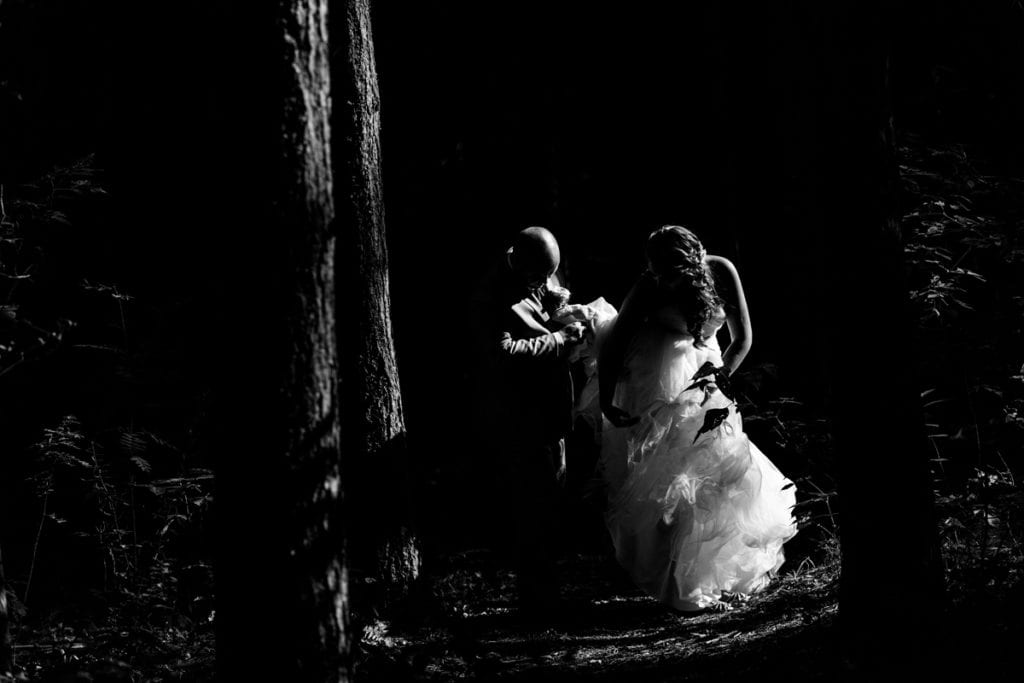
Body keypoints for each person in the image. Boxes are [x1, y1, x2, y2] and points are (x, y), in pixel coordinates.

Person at [592, 225, 798, 612]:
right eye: (654, 270)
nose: (659, 277)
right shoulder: (649, 286)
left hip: (710, 380)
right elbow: (615, 345)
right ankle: (679, 583)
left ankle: (720, 576)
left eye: (666, 270)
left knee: (720, 476)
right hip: (660, 385)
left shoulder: (721, 271)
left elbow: (743, 338)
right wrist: (606, 398)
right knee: (673, 484)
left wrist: (717, 378)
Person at [468, 226, 587, 610]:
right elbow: (502, 352)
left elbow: (540, 315)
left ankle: (547, 591)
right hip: (523, 417)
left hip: (551, 412)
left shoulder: (537, 274)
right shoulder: (492, 293)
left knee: (553, 498)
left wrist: (562, 313)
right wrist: (560, 340)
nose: (545, 281)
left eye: (548, 274)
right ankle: (537, 600)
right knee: (533, 506)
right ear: (519, 261)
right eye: (539, 275)